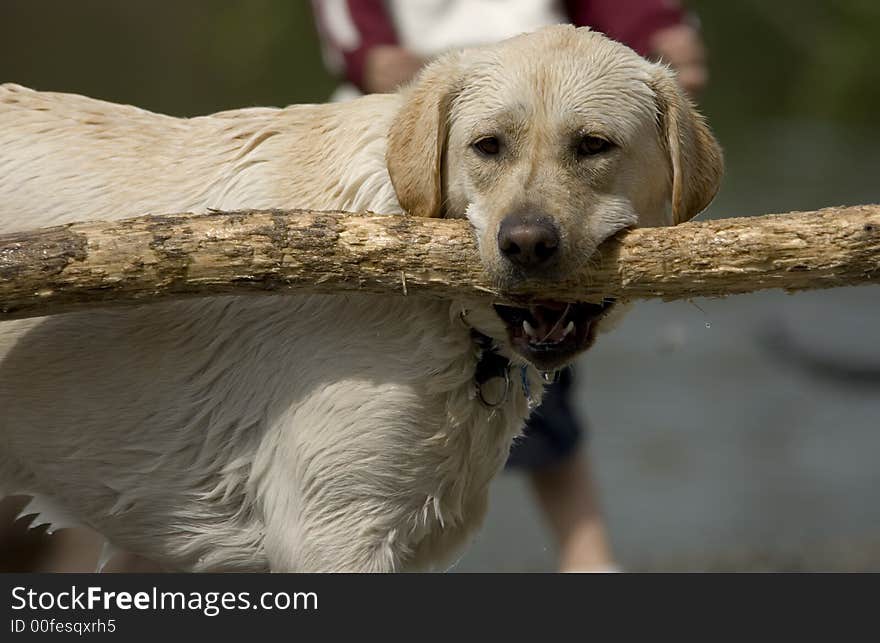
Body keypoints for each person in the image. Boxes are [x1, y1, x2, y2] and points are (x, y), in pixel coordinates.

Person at [312, 0, 707, 572]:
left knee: (541, 386)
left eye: (595, 146)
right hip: (419, 138)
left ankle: (588, 564)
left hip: (562, 91)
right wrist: (370, 55)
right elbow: (349, 18)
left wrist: (656, 31)